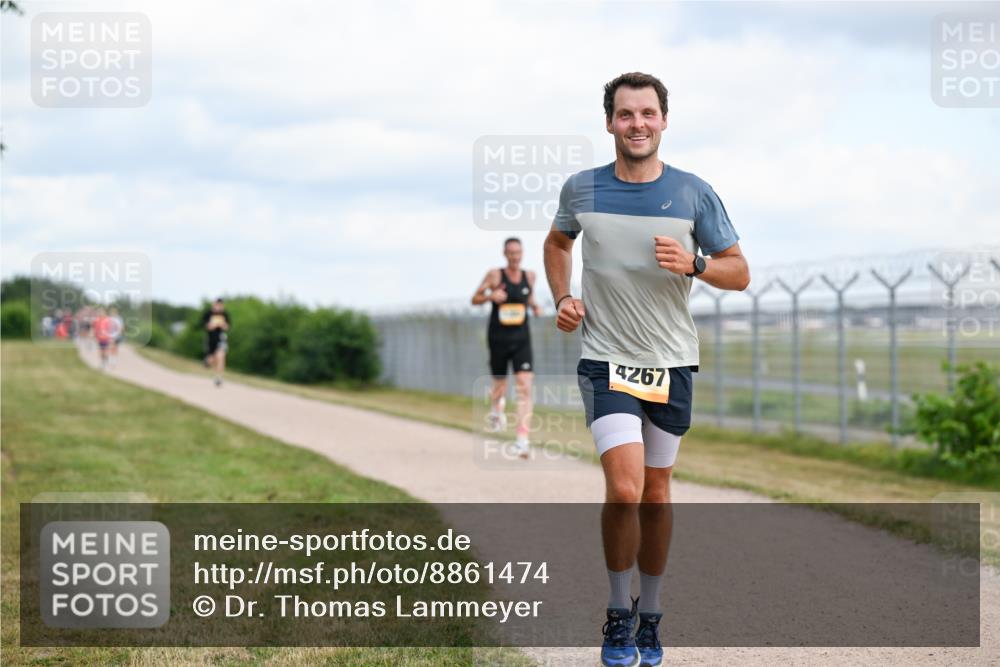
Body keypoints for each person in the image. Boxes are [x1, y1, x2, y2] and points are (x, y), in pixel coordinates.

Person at [543, 72, 750, 667]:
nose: (638, 124)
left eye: (648, 114)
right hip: (606, 359)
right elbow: (558, 245)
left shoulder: (693, 193)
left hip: (671, 363)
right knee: (626, 488)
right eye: (626, 114)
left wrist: (696, 263)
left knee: (656, 494)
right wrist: (562, 298)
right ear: (609, 122)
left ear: (663, 121)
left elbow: (740, 272)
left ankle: (650, 614)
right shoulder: (581, 189)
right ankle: (616, 613)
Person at [471, 238, 541, 459]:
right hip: (498, 338)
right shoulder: (494, 275)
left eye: (518, 252)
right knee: (500, 385)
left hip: (521, 339)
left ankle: (522, 440)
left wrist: (535, 306)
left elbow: (529, 297)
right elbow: (475, 298)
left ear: (522, 253)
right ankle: (496, 410)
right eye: (511, 253)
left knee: (524, 386)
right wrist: (490, 296)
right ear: (504, 253)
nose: (515, 256)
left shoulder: (530, 276)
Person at [201, 298, 231, 387]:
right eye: (217, 305)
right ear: (214, 305)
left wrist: (222, 325)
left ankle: (219, 377)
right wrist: (213, 325)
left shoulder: (225, 314)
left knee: (221, 356)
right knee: (212, 359)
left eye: (220, 305)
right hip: (210, 339)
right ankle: (208, 362)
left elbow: (227, 327)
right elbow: (206, 326)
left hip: (221, 338)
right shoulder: (208, 314)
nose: (219, 307)